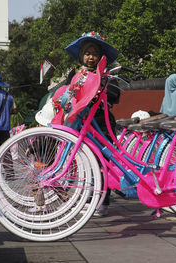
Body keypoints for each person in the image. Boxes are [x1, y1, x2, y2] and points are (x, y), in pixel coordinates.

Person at [51, 31, 120, 216]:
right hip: (82, 122)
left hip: (100, 122)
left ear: (100, 57)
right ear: (82, 55)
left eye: (95, 53)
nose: (91, 57)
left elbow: (116, 95)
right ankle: (88, 198)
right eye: (88, 53)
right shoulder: (76, 74)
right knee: (84, 162)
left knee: (102, 162)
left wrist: (103, 87)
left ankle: (104, 201)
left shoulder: (105, 74)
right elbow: (67, 94)